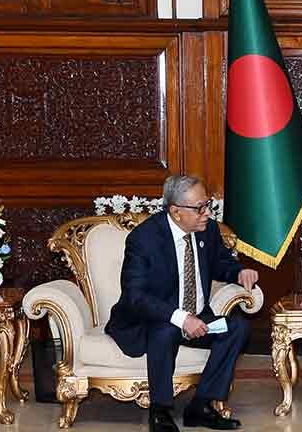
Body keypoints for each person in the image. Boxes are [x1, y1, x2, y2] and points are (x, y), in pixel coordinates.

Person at [105, 175, 259, 432]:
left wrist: (239, 272)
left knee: (237, 328)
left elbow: (220, 263)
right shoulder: (144, 239)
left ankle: (201, 406)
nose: (207, 213)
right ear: (176, 211)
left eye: (207, 205)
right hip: (155, 320)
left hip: (199, 318)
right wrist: (181, 317)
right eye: (200, 208)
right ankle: (160, 411)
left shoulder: (207, 229)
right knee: (165, 330)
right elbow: (135, 296)